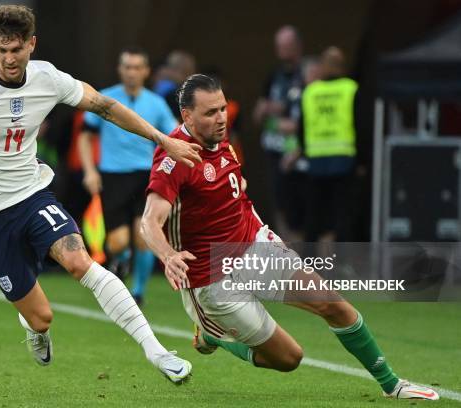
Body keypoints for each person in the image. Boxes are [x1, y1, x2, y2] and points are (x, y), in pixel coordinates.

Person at [0, 4, 201, 383]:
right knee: (42, 317)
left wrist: (163, 140)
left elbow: (106, 107)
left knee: (80, 262)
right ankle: (35, 330)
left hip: (32, 195)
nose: (9, 59)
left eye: (17, 50)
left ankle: (157, 352)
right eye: (1, 50)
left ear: (32, 44)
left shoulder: (49, 78)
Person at [140, 74, 439, 400]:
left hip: (254, 247)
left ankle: (392, 385)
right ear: (187, 116)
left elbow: (238, 199)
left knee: (334, 304)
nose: (221, 118)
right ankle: (217, 337)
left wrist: (266, 233)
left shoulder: (222, 140)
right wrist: (169, 256)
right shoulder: (174, 159)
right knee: (288, 359)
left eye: (223, 108)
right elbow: (149, 221)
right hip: (212, 278)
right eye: (211, 112)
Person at [78, 47, 177, 304]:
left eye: (137, 67)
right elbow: (85, 136)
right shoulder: (106, 98)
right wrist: (90, 170)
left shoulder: (156, 103)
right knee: (119, 242)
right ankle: (120, 262)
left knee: (144, 236)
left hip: (146, 176)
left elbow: (173, 136)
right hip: (113, 175)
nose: (132, 72)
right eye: (127, 67)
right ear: (120, 70)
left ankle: (138, 292)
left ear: (145, 71)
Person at [299, 47, 359, 242]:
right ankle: (342, 265)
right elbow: (361, 124)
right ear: (341, 67)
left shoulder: (310, 92)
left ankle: (309, 264)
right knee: (342, 216)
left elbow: (302, 128)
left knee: (313, 217)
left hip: (316, 162)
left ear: (323, 66)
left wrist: (307, 151)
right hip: (343, 161)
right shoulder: (350, 89)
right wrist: (363, 160)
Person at [253, 25, 306, 242]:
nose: (283, 51)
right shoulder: (273, 77)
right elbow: (258, 115)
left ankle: (308, 260)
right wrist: (266, 111)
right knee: (280, 206)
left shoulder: (306, 75)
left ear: (298, 46)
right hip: (275, 150)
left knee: (300, 209)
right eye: (279, 46)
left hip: (300, 153)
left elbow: (301, 122)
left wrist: (282, 118)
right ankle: (289, 258)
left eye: (287, 45)